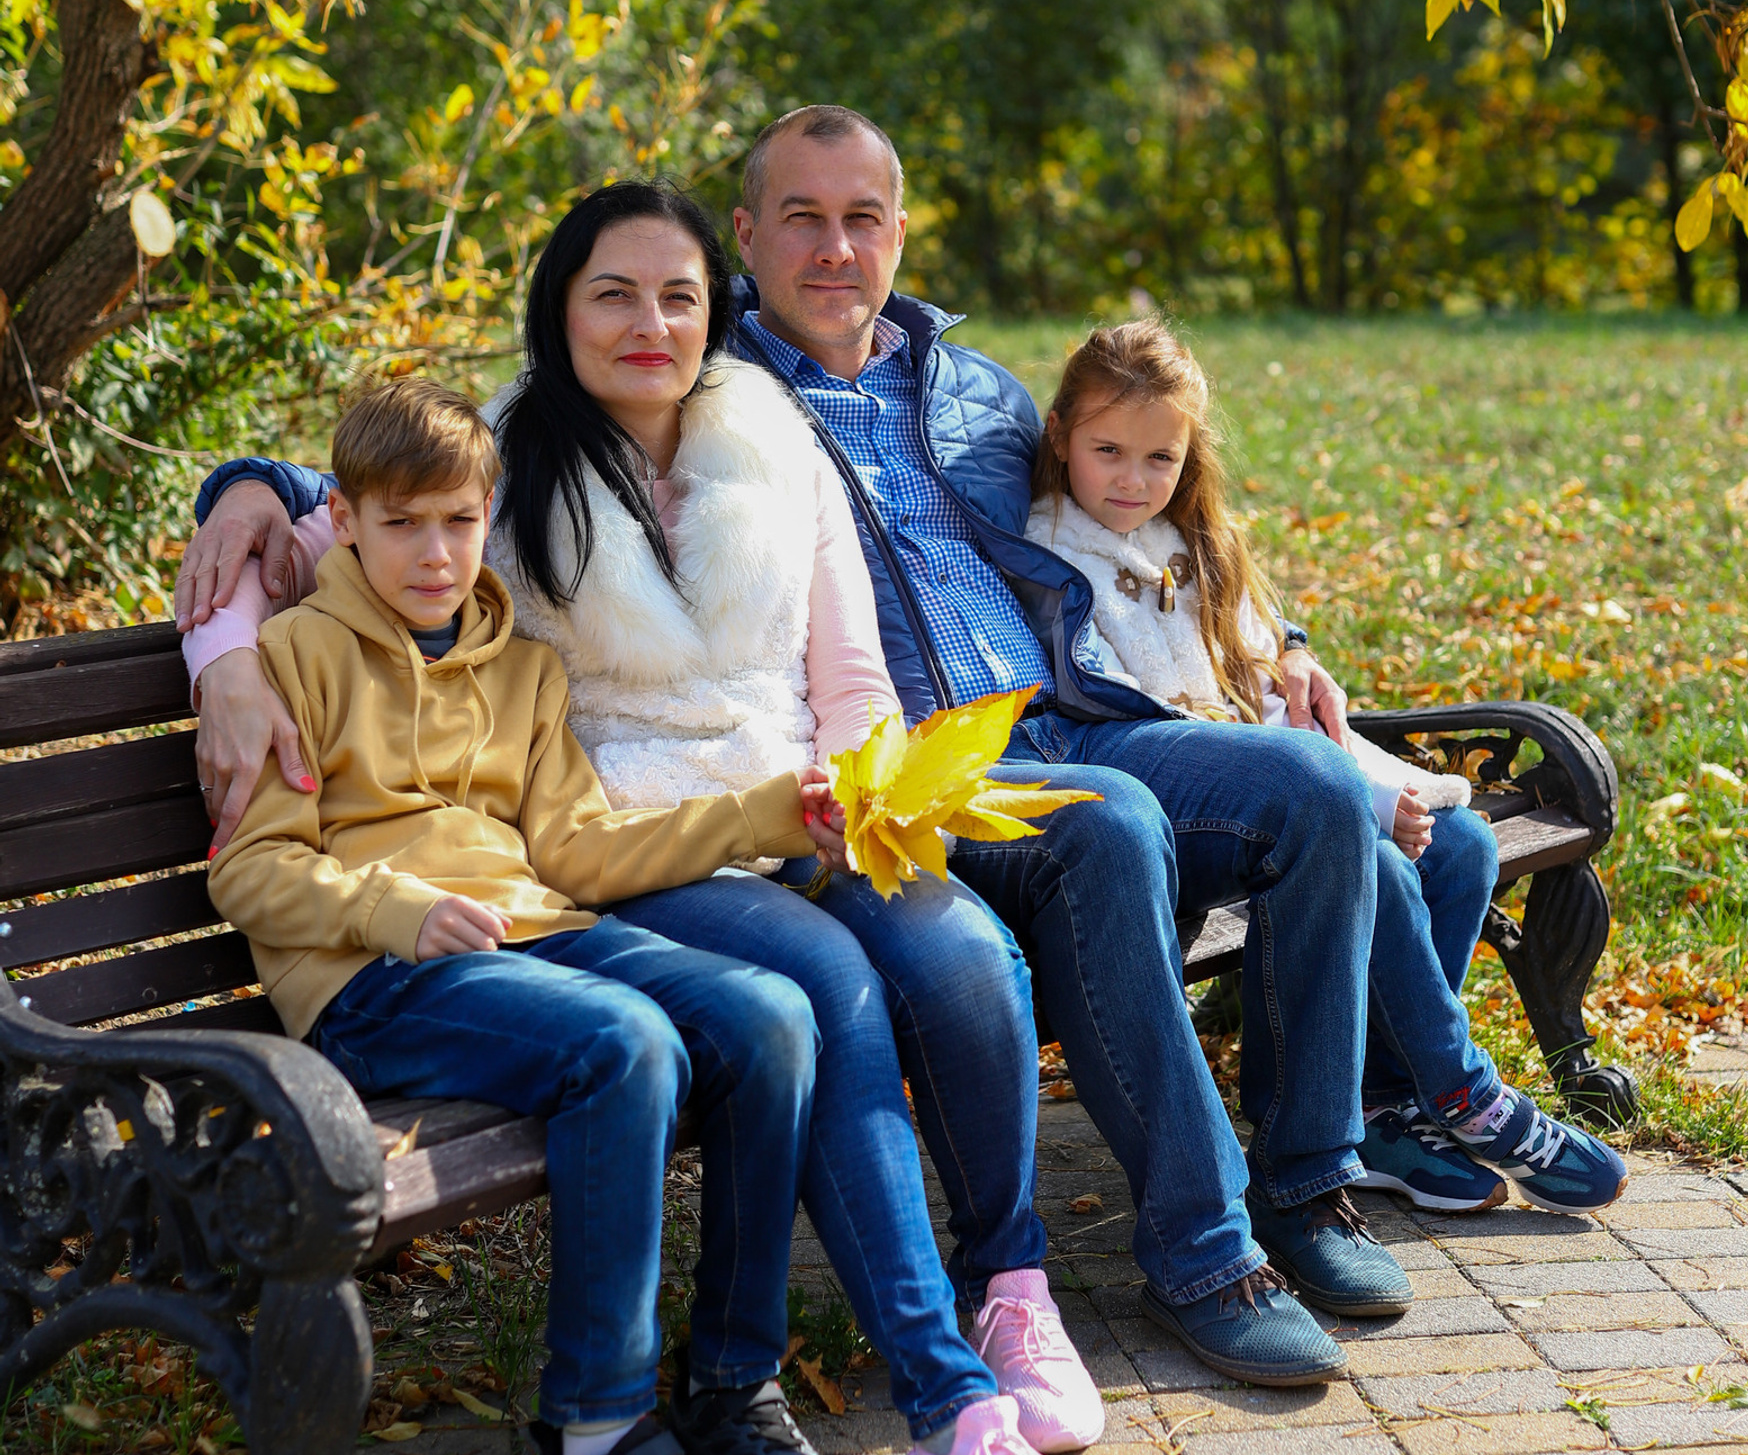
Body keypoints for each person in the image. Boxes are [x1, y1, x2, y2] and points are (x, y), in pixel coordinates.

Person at [181, 116, 1411, 1384]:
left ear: (894, 234)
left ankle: (1232, 1214)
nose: (834, 251)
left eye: (863, 219)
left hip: (959, 752)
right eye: (800, 222)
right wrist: (233, 578)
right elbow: (384, 486)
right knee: (1009, 893)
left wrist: (1274, 642)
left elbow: (1141, 483)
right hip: (703, 820)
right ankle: (1090, 1290)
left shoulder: (931, 398)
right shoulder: (605, 425)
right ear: (744, 250)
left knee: (1228, 825)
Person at [178, 182, 1098, 1455]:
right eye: (612, 292)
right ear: (556, 312)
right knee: (739, 1013)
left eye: (678, 296)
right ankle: (661, 1405)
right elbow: (347, 495)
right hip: (406, 948)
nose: (649, 323)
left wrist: (810, 798)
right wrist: (227, 634)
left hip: (601, 880)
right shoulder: (432, 533)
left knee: (896, 978)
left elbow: (579, 836)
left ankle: (788, 1363)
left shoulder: (563, 625)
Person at [205, 375, 831, 1455]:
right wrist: (394, 909)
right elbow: (249, 872)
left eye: (457, 522)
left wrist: (764, 813)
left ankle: (735, 1379)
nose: (436, 554)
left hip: (531, 931)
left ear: (485, 517)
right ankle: (595, 1415)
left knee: (771, 1015)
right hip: (371, 977)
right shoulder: (293, 660)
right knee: (624, 1044)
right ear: (345, 522)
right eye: (401, 526)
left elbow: (580, 854)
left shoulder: (524, 671)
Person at [1025, 320, 1630, 1216]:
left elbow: (1265, 663)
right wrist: (1362, 800)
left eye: (1160, 457)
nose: (1131, 478)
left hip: (1276, 771)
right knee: (1379, 859)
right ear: (1062, 436)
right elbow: (1115, 712)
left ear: (1189, 458)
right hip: (1172, 806)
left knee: (1458, 844)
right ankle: (1464, 1090)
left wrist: (1300, 665)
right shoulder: (1046, 551)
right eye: (1107, 450)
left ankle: (1381, 1099)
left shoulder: (1196, 541)